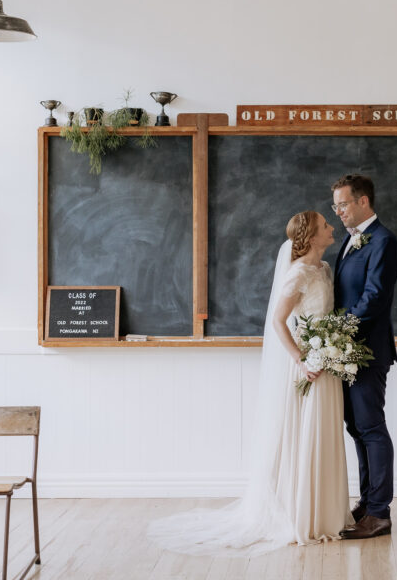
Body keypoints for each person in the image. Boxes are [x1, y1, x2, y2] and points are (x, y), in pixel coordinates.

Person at [147, 211, 352, 557]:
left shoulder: (325, 269)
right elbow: (277, 321)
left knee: (323, 433)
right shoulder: (299, 272)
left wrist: (328, 348)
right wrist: (302, 360)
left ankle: (325, 516)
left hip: (326, 363)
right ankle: (302, 517)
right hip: (306, 367)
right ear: (312, 236)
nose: (332, 228)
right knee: (305, 436)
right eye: (325, 226)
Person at [330, 174, 397, 539]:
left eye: (343, 204)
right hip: (345, 352)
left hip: (368, 351)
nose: (338, 211)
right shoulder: (350, 240)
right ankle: (367, 501)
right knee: (357, 428)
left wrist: (338, 334)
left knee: (372, 428)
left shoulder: (384, 241)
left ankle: (380, 513)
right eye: (336, 205)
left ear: (363, 201)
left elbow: (374, 298)